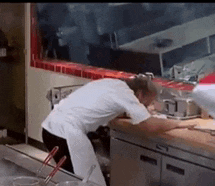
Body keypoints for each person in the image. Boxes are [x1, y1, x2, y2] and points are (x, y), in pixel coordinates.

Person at [41, 75, 197, 186]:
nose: (146, 106)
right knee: (87, 182)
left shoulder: (112, 83)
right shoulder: (126, 95)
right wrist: (176, 124)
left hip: (50, 129)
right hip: (65, 135)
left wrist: (139, 113)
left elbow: (110, 107)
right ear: (140, 94)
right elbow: (149, 126)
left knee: (77, 179)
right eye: (146, 103)